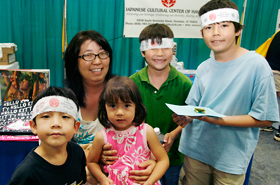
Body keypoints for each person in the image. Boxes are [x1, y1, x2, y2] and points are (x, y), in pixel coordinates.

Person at [172, 0, 279, 184]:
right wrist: (186, 117)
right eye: (209, 27)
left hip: (230, 157)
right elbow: (195, 107)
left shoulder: (257, 65)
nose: (216, 33)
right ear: (202, 33)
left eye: (224, 25)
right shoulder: (204, 67)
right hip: (195, 150)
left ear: (238, 29)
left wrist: (219, 119)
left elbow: (266, 118)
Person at [64, 30, 156, 184]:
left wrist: (152, 162)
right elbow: (53, 144)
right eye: (88, 55)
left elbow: (142, 133)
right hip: (81, 172)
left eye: (102, 54)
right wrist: (93, 155)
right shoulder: (66, 100)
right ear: (74, 60)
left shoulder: (123, 92)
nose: (97, 61)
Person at [130, 23, 192, 184]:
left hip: (172, 157)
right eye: (153, 48)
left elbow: (190, 118)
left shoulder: (184, 84)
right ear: (142, 52)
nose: (159, 54)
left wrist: (175, 133)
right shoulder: (132, 83)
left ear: (173, 50)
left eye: (165, 48)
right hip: (139, 156)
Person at [87, 76, 169, 185]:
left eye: (126, 105)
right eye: (113, 105)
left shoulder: (146, 131)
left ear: (136, 107)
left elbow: (163, 160)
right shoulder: (102, 136)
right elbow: (91, 162)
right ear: (104, 107)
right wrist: (102, 178)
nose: (119, 112)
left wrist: (149, 182)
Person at [7, 86, 86, 185]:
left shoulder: (77, 153)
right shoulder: (26, 173)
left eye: (65, 116)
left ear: (76, 127)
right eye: (46, 116)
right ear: (34, 126)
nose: (56, 123)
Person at [264, 31, 280, 141]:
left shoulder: (277, 34)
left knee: (270, 98)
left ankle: (267, 124)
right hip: (277, 71)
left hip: (271, 68)